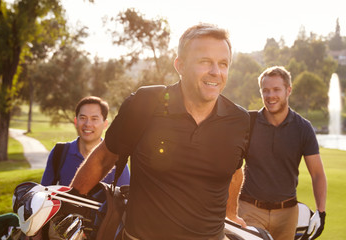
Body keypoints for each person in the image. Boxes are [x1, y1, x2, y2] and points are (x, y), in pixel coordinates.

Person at [70, 23, 250, 240]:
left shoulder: (239, 120)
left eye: (223, 64)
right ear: (180, 65)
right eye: (205, 62)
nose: (216, 72)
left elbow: (234, 170)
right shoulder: (144, 103)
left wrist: (231, 212)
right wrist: (70, 205)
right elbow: (103, 158)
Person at [237, 66, 327, 240]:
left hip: (288, 214)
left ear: (288, 90)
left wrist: (321, 212)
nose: (271, 96)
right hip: (250, 209)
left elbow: (317, 174)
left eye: (276, 89)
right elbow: (230, 168)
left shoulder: (303, 128)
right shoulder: (248, 123)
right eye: (266, 91)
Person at [41, 96, 130, 187]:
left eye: (94, 119)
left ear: (105, 124)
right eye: (83, 118)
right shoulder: (59, 152)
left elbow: (125, 199)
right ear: (76, 121)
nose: (87, 124)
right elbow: (43, 194)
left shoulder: (116, 160)